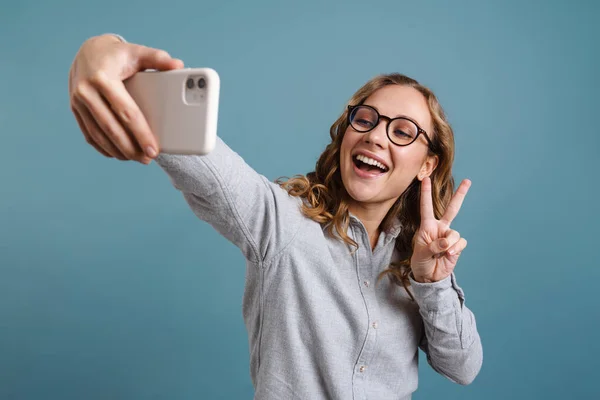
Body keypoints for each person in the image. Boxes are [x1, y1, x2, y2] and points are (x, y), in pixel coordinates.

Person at [68, 33, 483, 400]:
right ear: (347, 131)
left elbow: (461, 368)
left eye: (403, 131)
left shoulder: (420, 260)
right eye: (366, 119)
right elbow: (195, 149)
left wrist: (433, 282)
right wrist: (101, 50)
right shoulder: (282, 223)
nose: (375, 135)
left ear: (427, 164)